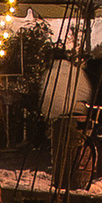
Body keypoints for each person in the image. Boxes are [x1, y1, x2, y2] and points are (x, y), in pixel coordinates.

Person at [37, 44, 93, 192]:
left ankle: (61, 177)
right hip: (79, 112)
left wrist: (47, 115)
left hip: (58, 115)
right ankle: (77, 175)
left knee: (61, 146)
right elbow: (87, 92)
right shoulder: (77, 72)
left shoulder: (49, 74)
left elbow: (45, 96)